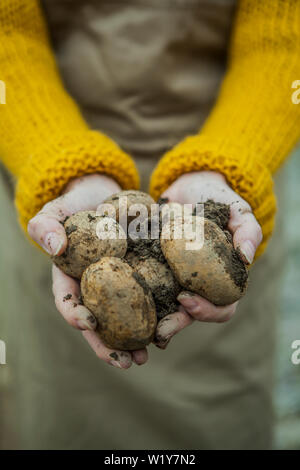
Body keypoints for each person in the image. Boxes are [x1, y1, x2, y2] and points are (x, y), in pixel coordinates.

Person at [0, 0, 299, 450]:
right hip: (56, 182)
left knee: (215, 419)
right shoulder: (75, 217)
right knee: (64, 418)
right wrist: (59, 163)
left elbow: (282, 42)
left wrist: (232, 162)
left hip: (229, 174)